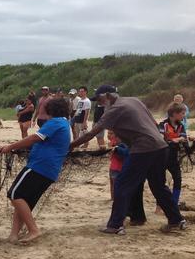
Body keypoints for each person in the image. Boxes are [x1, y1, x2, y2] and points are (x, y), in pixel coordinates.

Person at [71, 85, 186, 235]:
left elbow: (91, 134)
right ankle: (176, 220)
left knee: (122, 184)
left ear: (108, 96)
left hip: (143, 149)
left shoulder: (114, 110)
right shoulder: (134, 100)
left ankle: (115, 225)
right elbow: (153, 123)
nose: (99, 103)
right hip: (160, 147)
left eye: (99, 99)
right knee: (158, 186)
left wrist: (69, 147)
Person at [0, 98, 71, 243]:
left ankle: (33, 230)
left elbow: (34, 138)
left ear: (50, 110)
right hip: (49, 170)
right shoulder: (64, 123)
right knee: (24, 200)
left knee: (14, 193)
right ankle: (14, 235)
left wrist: (10, 147)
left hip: (40, 166)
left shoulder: (55, 123)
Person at [158, 102, 191, 207]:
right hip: (162, 157)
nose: (184, 116)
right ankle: (159, 206)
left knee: (178, 179)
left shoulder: (181, 126)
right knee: (161, 182)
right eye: (182, 113)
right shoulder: (163, 125)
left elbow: (184, 140)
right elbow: (161, 139)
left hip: (173, 158)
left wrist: (188, 141)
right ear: (174, 114)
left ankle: (174, 203)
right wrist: (175, 140)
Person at [108, 131, 128, 200]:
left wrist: (117, 149)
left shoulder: (123, 145)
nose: (109, 135)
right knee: (112, 183)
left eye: (111, 134)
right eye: (108, 133)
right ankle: (112, 198)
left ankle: (116, 198)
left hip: (118, 168)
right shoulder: (113, 142)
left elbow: (125, 153)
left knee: (116, 184)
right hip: (113, 167)